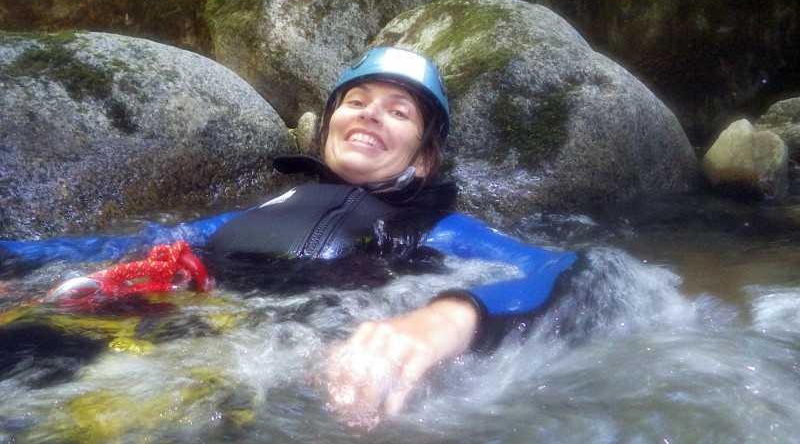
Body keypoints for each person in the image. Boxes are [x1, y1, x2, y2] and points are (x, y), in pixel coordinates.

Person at [0, 47, 578, 421]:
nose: (372, 114)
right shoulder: (255, 213)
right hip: (165, 327)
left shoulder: (438, 229)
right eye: (357, 101)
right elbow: (124, 247)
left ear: (423, 159)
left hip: (267, 373)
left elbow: (579, 270)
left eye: (399, 112)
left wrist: (443, 321)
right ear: (328, 129)